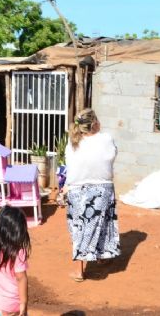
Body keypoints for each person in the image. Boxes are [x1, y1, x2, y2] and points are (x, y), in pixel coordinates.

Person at [61, 108, 120, 282]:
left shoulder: (72, 143)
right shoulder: (106, 139)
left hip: (76, 190)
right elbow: (112, 155)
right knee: (102, 222)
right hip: (102, 189)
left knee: (80, 227)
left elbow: (70, 168)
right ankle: (101, 257)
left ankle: (79, 269)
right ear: (95, 124)